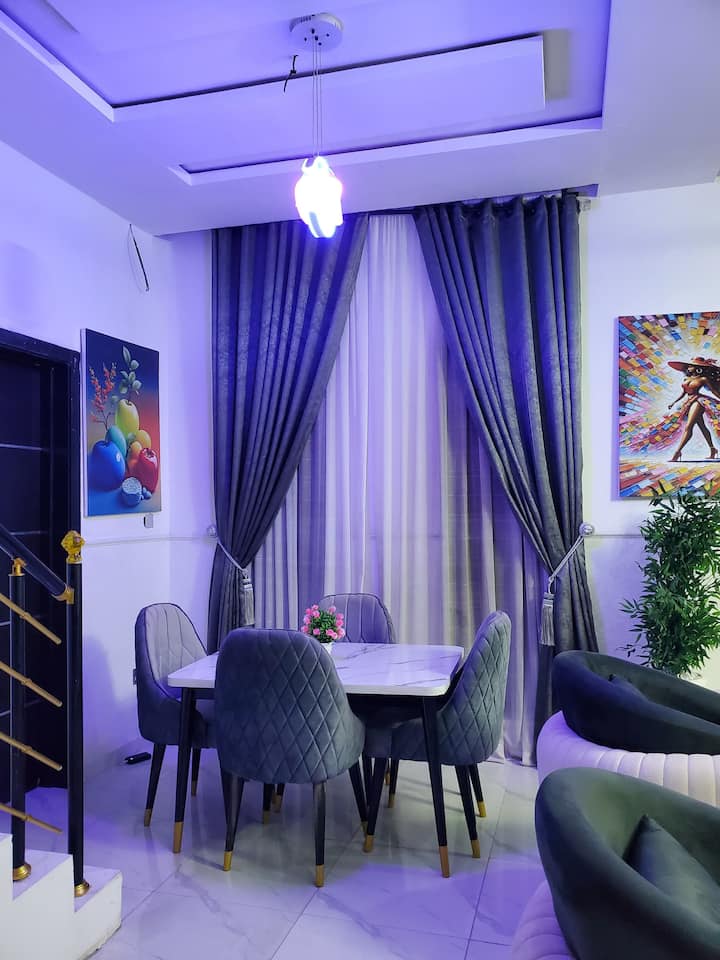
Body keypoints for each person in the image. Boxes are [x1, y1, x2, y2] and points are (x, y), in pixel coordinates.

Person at [667, 356, 720, 461]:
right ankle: (713, 449)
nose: (689, 367)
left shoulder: (703, 379)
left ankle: (677, 452)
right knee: (702, 427)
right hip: (688, 402)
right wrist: (674, 402)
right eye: (689, 366)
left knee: (689, 427)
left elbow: (713, 391)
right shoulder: (686, 379)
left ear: (698, 368)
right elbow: (683, 393)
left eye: (691, 366)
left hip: (698, 401)